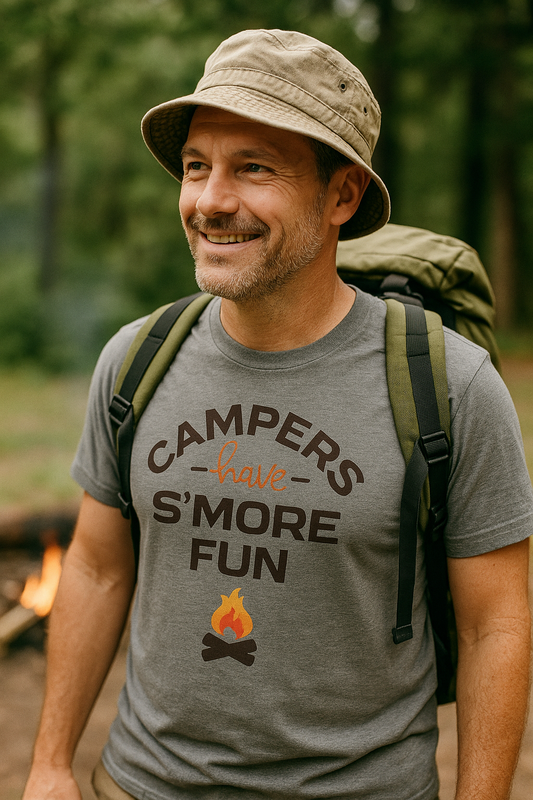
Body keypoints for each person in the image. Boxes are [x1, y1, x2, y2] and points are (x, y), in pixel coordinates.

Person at [23, 29, 532, 800]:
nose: (209, 201)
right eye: (197, 167)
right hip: (142, 785)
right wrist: (51, 765)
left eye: (253, 168)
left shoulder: (449, 386)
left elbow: (494, 625)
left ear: (342, 194)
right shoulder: (136, 360)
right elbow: (95, 567)